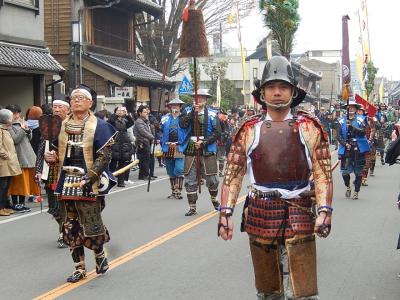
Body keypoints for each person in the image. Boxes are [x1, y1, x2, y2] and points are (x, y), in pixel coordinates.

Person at [218, 56, 333, 300]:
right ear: (262, 93)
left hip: (299, 207)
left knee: (302, 292)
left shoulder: (309, 126)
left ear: (293, 91)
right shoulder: (248, 129)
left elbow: (323, 172)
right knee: (268, 291)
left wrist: (324, 210)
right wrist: (225, 213)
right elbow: (233, 173)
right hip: (261, 210)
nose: (277, 93)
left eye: (283, 87)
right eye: (271, 87)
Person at [45, 87, 117, 283]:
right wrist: (50, 157)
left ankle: (100, 255)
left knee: (91, 222)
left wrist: (91, 176)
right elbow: (53, 151)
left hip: (89, 181)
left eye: (81, 98)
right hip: (65, 179)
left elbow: (105, 156)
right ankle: (79, 268)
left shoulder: (100, 126)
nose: (76, 101)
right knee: (69, 225)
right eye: (74, 98)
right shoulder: (60, 125)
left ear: (90, 103)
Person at [179, 89, 221, 216]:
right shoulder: (186, 111)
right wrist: (193, 112)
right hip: (191, 148)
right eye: (197, 98)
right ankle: (192, 207)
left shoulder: (213, 114)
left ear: (206, 100)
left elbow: (217, 132)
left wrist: (204, 142)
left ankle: (214, 200)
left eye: (202, 98)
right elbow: (183, 125)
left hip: (207, 148)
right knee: (190, 178)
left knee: (212, 178)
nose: (199, 100)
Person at [35, 97, 70, 248]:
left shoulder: (73, 125)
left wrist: (59, 156)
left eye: (60, 107)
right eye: (54, 106)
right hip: (51, 172)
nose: (56, 109)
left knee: (66, 205)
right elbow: (41, 150)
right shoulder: (48, 126)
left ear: (67, 110)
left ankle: (64, 233)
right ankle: (63, 228)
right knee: (54, 207)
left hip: (68, 171)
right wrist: (37, 170)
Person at [6, 104, 40, 212]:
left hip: (27, 155)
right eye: (14, 113)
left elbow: (28, 138)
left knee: (25, 182)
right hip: (18, 156)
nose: (16, 115)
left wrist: (28, 131)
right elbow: (15, 139)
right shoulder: (8, 125)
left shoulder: (21, 123)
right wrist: (22, 129)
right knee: (17, 182)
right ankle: (16, 204)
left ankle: (22, 203)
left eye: (16, 113)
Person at [337, 100, 370, 200]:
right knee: (345, 172)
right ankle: (348, 187)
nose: (350, 109)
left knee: (358, 172)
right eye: (348, 107)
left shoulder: (361, 119)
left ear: (356, 109)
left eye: (352, 107)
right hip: (346, 149)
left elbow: (364, 132)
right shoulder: (341, 120)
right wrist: (345, 144)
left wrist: (352, 128)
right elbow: (338, 135)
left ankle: (356, 192)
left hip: (358, 148)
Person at [160, 98, 186, 199]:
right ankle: (173, 190)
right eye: (172, 105)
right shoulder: (165, 118)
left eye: (176, 105)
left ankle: (178, 190)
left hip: (179, 146)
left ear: (180, 107)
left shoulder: (184, 119)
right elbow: (161, 130)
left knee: (179, 169)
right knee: (170, 170)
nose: (174, 107)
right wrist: (157, 127)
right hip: (167, 146)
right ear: (170, 107)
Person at [0, 109, 22, 216]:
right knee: (2, 186)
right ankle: (0, 208)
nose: (12, 118)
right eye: (10, 117)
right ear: (6, 119)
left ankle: (3, 206)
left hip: (7, 163)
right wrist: (6, 155)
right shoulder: (0, 130)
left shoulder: (5, 129)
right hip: (3, 163)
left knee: (6, 186)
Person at [108, 106, 134, 187]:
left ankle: (121, 181)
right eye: (119, 111)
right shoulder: (112, 120)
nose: (121, 112)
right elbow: (110, 122)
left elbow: (131, 123)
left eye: (122, 111)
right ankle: (110, 180)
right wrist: (116, 114)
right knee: (113, 163)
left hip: (124, 144)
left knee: (122, 164)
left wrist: (127, 114)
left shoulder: (125, 120)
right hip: (115, 144)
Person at [133, 105, 155, 180]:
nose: (146, 113)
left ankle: (143, 175)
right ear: (140, 113)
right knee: (144, 160)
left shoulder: (145, 121)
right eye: (144, 112)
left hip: (146, 142)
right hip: (142, 142)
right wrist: (151, 137)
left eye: (146, 112)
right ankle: (145, 175)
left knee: (145, 159)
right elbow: (143, 131)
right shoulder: (139, 121)